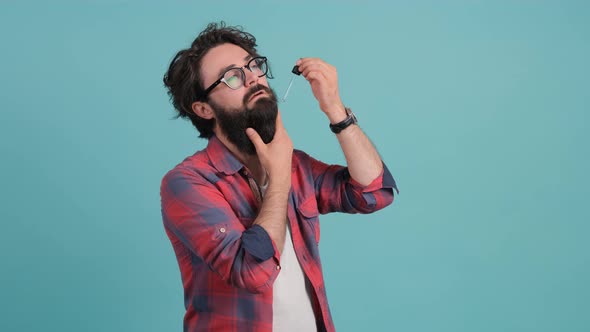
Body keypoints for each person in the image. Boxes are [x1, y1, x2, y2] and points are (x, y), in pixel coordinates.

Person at [160, 22, 399, 332]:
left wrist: (336, 110)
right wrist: (280, 176)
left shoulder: (294, 163)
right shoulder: (188, 183)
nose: (254, 79)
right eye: (233, 77)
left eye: (254, 66)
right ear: (204, 109)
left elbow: (374, 193)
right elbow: (252, 273)